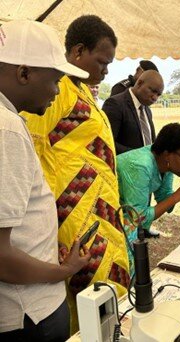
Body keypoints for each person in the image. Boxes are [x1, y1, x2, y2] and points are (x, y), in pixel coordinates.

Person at [21, 15, 130, 333]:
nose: (106, 71)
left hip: (101, 214)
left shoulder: (82, 93)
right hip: (74, 217)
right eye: (102, 62)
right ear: (78, 51)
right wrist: (45, 226)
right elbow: (35, 155)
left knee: (108, 302)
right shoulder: (56, 91)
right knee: (91, 302)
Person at [0, 20, 91, 342]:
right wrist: (64, 271)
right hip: (29, 311)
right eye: (55, 80)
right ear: (24, 73)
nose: (57, 91)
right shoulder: (6, 128)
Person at [117, 123, 180, 242]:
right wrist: (176, 196)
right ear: (167, 154)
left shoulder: (166, 165)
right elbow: (139, 218)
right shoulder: (140, 166)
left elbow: (165, 203)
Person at [103, 70, 164, 155]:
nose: (155, 98)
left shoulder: (147, 110)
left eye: (158, 94)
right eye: (153, 91)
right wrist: (138, 155)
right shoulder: (115, 104)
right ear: (139, 83)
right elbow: (107, 142)